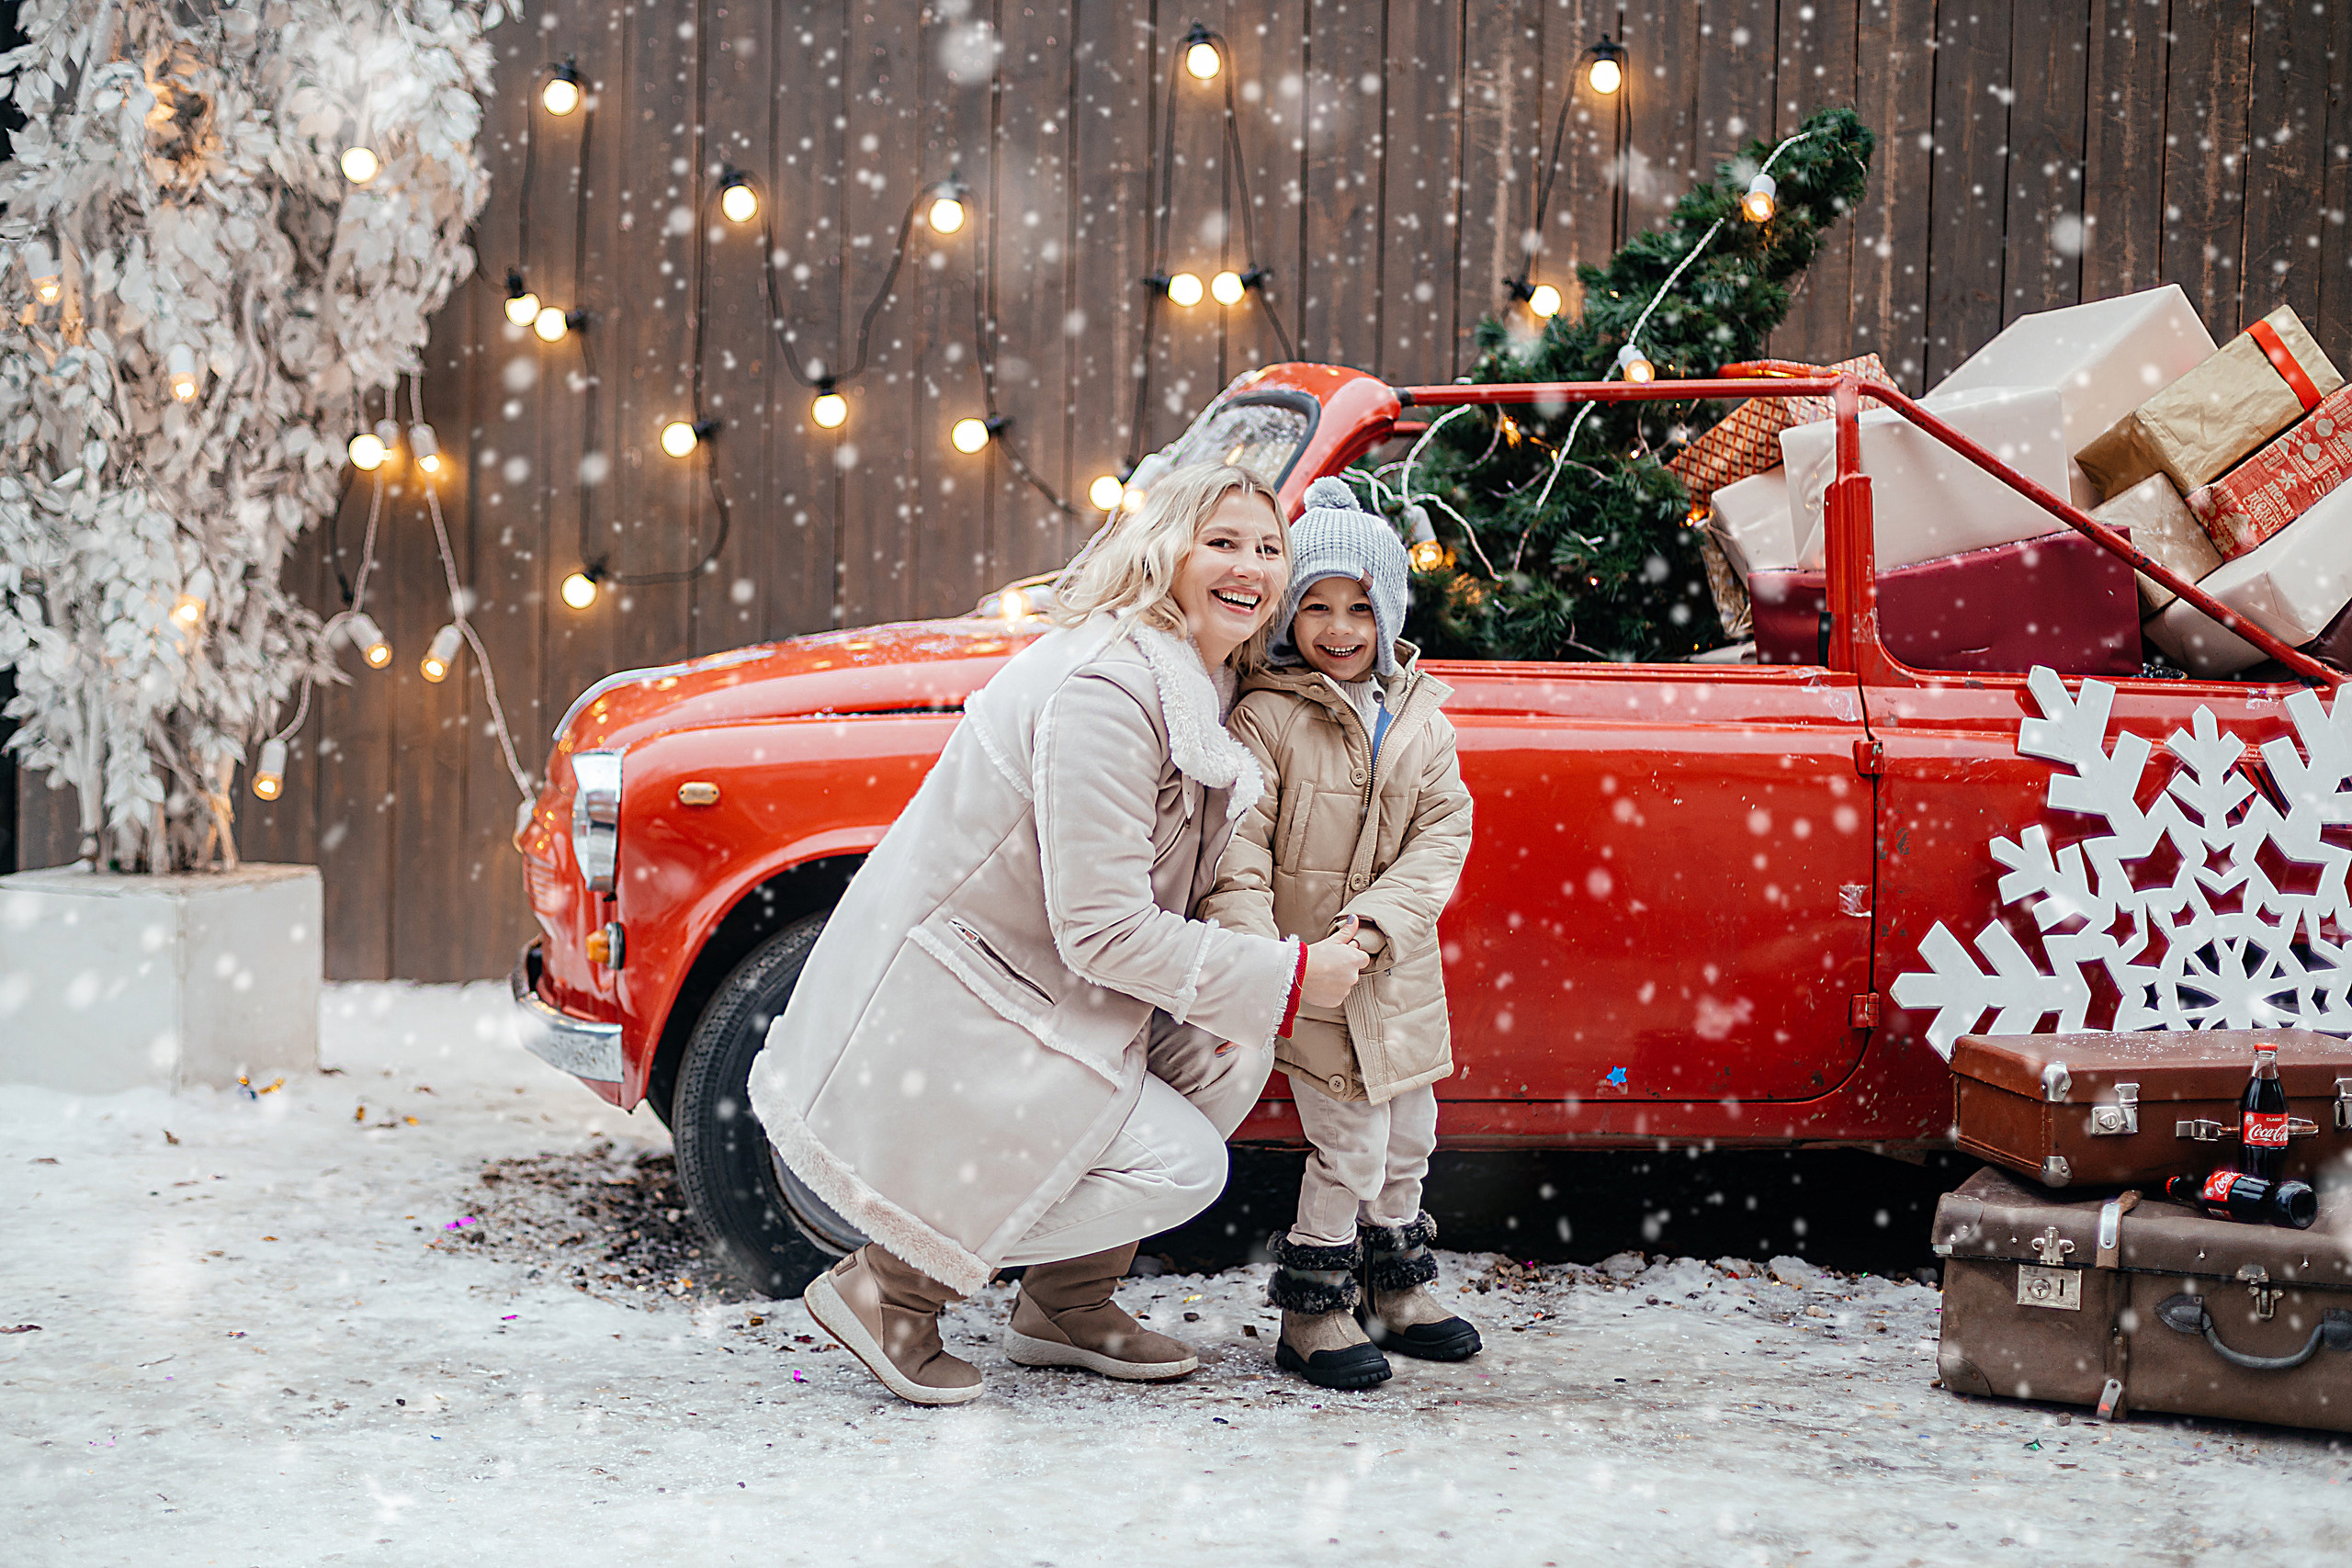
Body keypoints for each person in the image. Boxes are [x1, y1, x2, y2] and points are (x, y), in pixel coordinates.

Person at [747, 464, 1372, 1405]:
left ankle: (1064, 1305)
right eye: (1222, 542)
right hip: (970, 1000)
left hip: (1054, 992)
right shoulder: (1107, 691)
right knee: (1182, 1167)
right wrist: (1290, 977)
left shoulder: (1204, 676)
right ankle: (890, 1286)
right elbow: (1105, 933)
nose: (1249, 567)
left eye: (1267, 548)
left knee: (1225, 1052)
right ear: (1164, 551)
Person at [1201, 476, 1481, 1390]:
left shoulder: (1419, 718)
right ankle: (1311, 1311)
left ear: (1387, 610)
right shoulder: (1268, 716)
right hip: (1315, 978)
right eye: (1315, 606)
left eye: (1358, 607)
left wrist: (1377, 924)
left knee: (1410, 1138)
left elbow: (1444, 833)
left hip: (1396, 970)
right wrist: (1268, 964)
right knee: (1349, 1144)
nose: (1337, 628)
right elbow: (1236, 853)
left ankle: (1396, 1287)